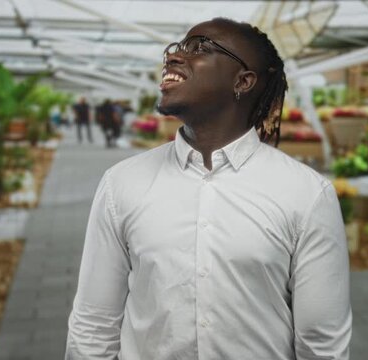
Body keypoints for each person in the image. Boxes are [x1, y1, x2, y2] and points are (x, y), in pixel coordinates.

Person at [66, 18, 351, 360]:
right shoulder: (121, 184)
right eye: (177, 48)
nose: (173, 57)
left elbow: (321, 343)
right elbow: (94, 323)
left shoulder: (307, 194)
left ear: (243, 81)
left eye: (199, 48)